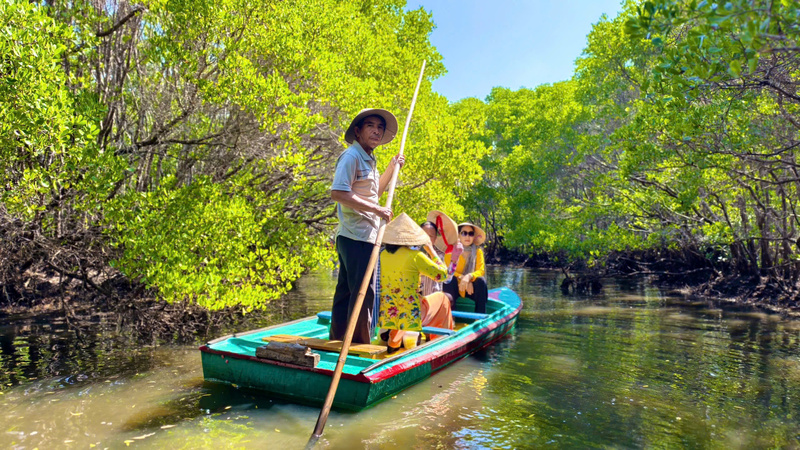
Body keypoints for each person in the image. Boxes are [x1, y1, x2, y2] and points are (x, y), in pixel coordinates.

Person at [329, 108, 405, 344]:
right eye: (370, 125)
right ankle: (360, 344)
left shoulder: (369, 159)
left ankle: (339, 338)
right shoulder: (352, 156)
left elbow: (374, 194)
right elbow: (338, 193)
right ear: (358, 131)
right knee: (364, 292)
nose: (376, 130)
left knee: (347, 292)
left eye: (380, 127)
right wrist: (377, 210)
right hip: (356, 235)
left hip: (361, 235)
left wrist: (392, 167)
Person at [377, 213, 462, 352]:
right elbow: (443, 275)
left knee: (403, 301)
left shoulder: (382, 254)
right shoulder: (416, 256)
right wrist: (431, 251)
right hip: (410, 314)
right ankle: (440, 342)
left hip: (388, 312)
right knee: (443, 299)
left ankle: (394, 341)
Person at [443, 222, 489, 314]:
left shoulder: (477, 251)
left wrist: (469, 277)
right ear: (459, 235)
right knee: (449, 280)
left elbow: (481, 270)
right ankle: (451, 317)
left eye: (470, 234)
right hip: (456, 287)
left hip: (470, 290)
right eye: (464, 233)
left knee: (481, 281)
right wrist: (462, 278)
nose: (467, 236)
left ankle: (478, 319)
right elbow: (448, 270)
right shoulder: (450, 251)